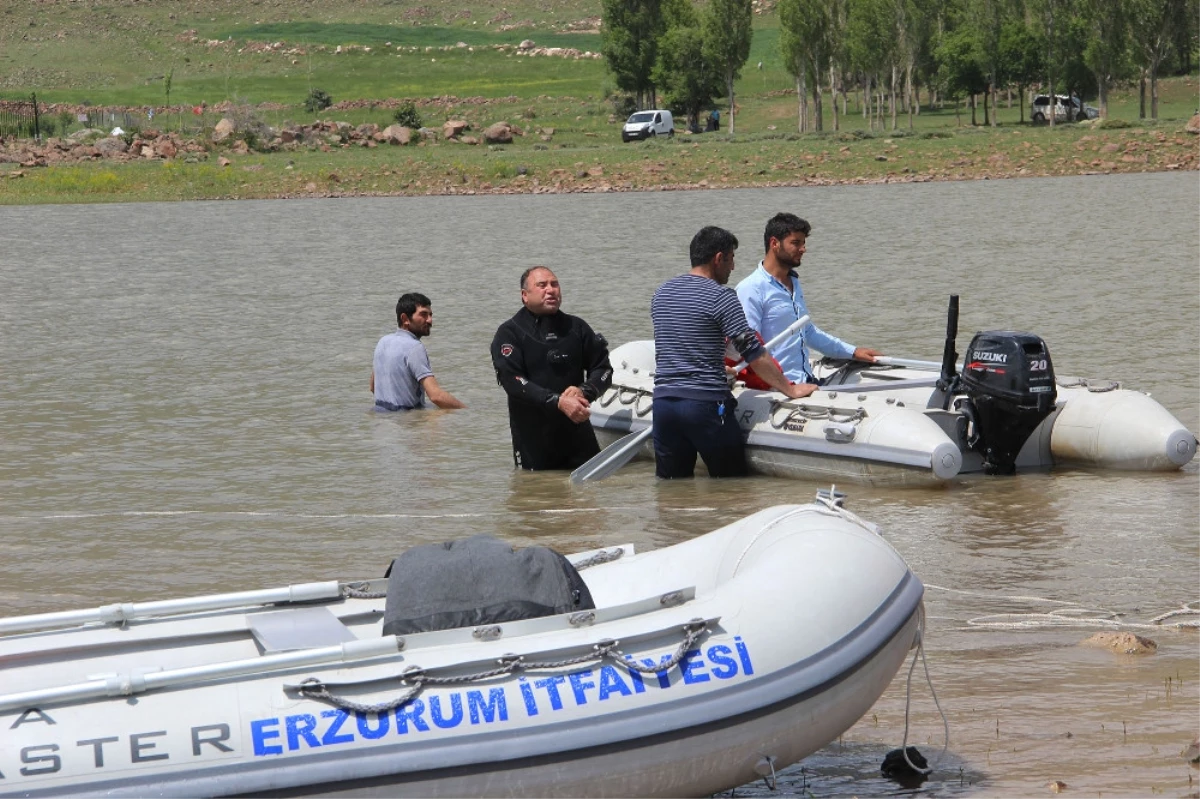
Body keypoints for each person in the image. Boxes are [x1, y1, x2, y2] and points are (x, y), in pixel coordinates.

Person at [650, 226, 814, 479]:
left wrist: (716, 365)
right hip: (705, 406)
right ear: (718, 258)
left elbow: (682, 344)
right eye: (731, 258)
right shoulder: (722, 297)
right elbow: (754, 353)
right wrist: (790, 389)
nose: (733, 267)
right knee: (732, 487)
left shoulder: (662, 293)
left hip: (663, 405)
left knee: (674, 489)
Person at [736, 213, 882, 384]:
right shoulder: (750, 288)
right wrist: (787, 388)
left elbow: (808, 332)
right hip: (778, 389)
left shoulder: (793, 282)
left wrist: (853, 351)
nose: (803, 249)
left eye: (803, 243)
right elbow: (749, 349)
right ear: (774, 243)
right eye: (796, 243)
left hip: (805, 381)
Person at [491, 267, 613, 471]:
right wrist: (558, 401)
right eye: (542, 285)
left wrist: (585, 390)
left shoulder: (577, 328)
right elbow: (513, 381)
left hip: (579, 436)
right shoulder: (509, 333)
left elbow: (603, 369)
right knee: (540, 495)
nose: (551, 290)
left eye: (554, 284)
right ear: (525, 295)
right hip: (534, 442)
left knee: (590, 499)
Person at [370, 292, 466, 411]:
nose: (430, 320)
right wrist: (467, 412)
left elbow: (373, 387)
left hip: (380, 418)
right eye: (423, 315)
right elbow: (436, 396)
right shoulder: (414, 348)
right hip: (404, 421)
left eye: (430, 315)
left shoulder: (382, 342)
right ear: (405, 319)